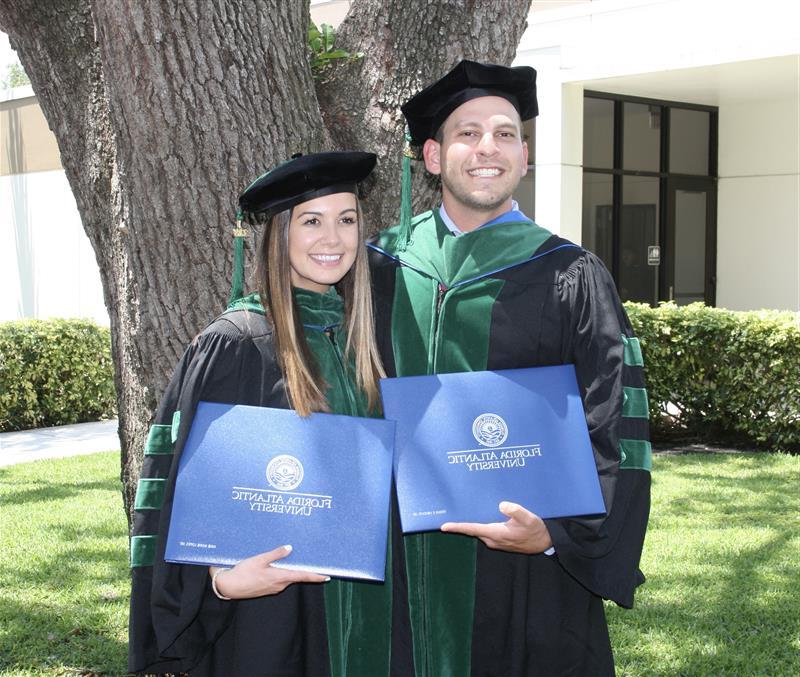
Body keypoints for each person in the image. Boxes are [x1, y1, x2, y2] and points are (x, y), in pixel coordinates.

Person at [368, 60, 652, 675]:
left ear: (524, 157)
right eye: (467, 133)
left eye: (504, 133)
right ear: (434, 157)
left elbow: (615, 424)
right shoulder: (377, 266)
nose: (486, 148)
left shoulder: (570, 274)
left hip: (521, 562)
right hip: (392, 556)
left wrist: (557, 534)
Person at [127, 152, 398, 676]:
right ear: (279, 234)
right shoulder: (237, 343)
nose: (333, 239)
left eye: (347, 219)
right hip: (271, 613)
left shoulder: (368, 336)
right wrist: (220, 582)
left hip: (370, 603)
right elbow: (174, 495)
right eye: (311, 221)